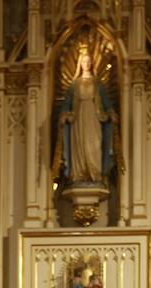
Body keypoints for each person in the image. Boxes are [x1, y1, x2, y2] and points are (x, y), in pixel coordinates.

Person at [55, 46, 117, 186]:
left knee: (94, 145)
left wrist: (111, 112)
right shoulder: (74, 85)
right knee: (80, 147)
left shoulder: (97, 84)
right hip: (78, 119)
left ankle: (95, 174)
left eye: (89, 61)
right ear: (80, 64)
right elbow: (67, 104)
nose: (87, 64)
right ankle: (79, 174)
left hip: (94, 118)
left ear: (92, 64)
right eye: (84, 61)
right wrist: (63, 115)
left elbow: (106, 102)